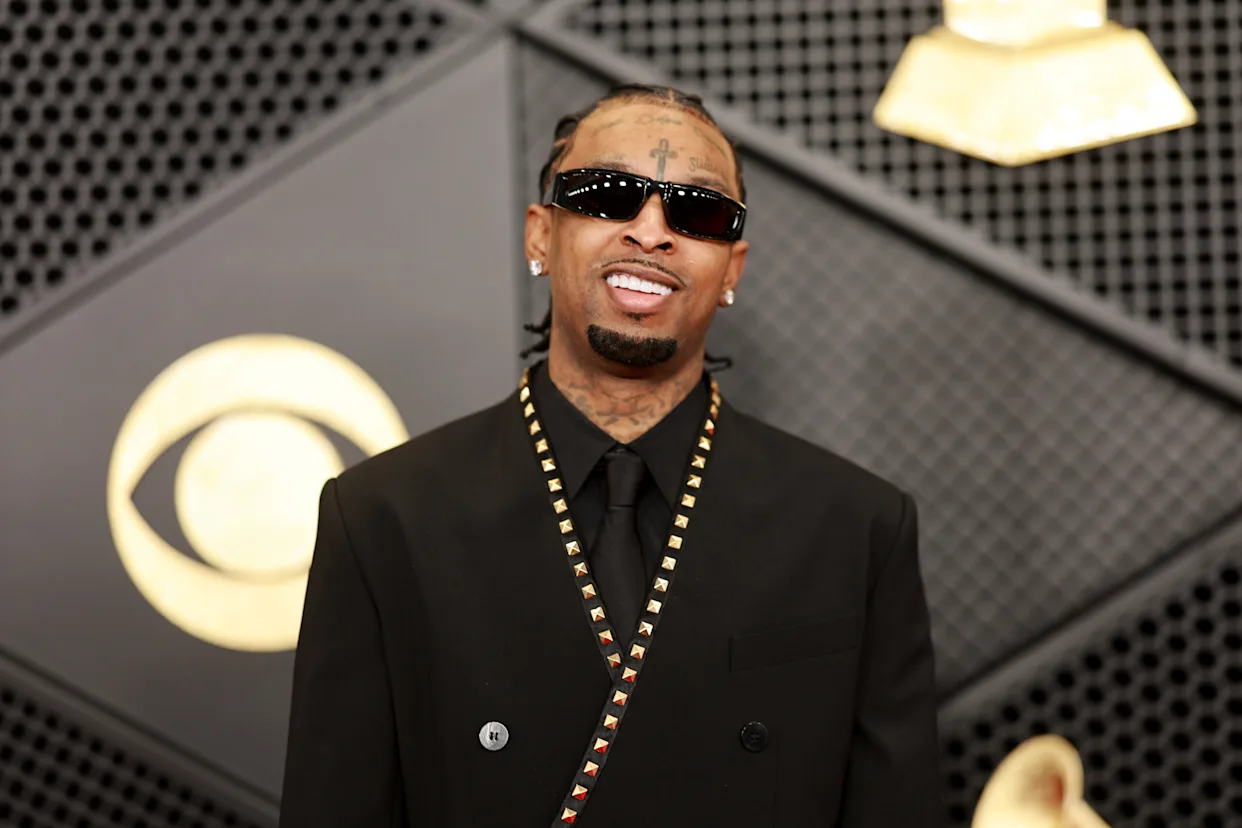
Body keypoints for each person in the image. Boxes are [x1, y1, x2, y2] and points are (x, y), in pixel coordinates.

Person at [279, 84, 941, 827]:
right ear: (539, 234)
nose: (652, 230)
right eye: (607, 194)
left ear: (732, 268)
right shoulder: (382, 518)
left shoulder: (855, 528)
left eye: (698, 211)